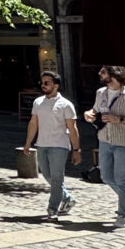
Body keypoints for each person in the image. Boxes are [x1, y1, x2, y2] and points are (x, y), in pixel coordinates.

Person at [84, 66, 125, 229]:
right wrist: (89, 114)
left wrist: (119, 118)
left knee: (122, 179)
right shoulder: (101, 93)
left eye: (103, 72)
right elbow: (95, 109)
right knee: (105, 176)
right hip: (105, 140)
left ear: (114, 75)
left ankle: (124, 215)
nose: (99, 74)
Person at [25, 72, 81, 221]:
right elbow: (33, 123)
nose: (43, 85)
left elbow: (73, 129)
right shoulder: (38, 102)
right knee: (46, 174)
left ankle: (52, 209)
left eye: (47, 83)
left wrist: (76, 150)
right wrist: (28, 142)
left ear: (55, 85)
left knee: (57, 179)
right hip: (42, 144)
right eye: (42, 82)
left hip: (59, 146)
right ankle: (68, 197)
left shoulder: (66, 105)